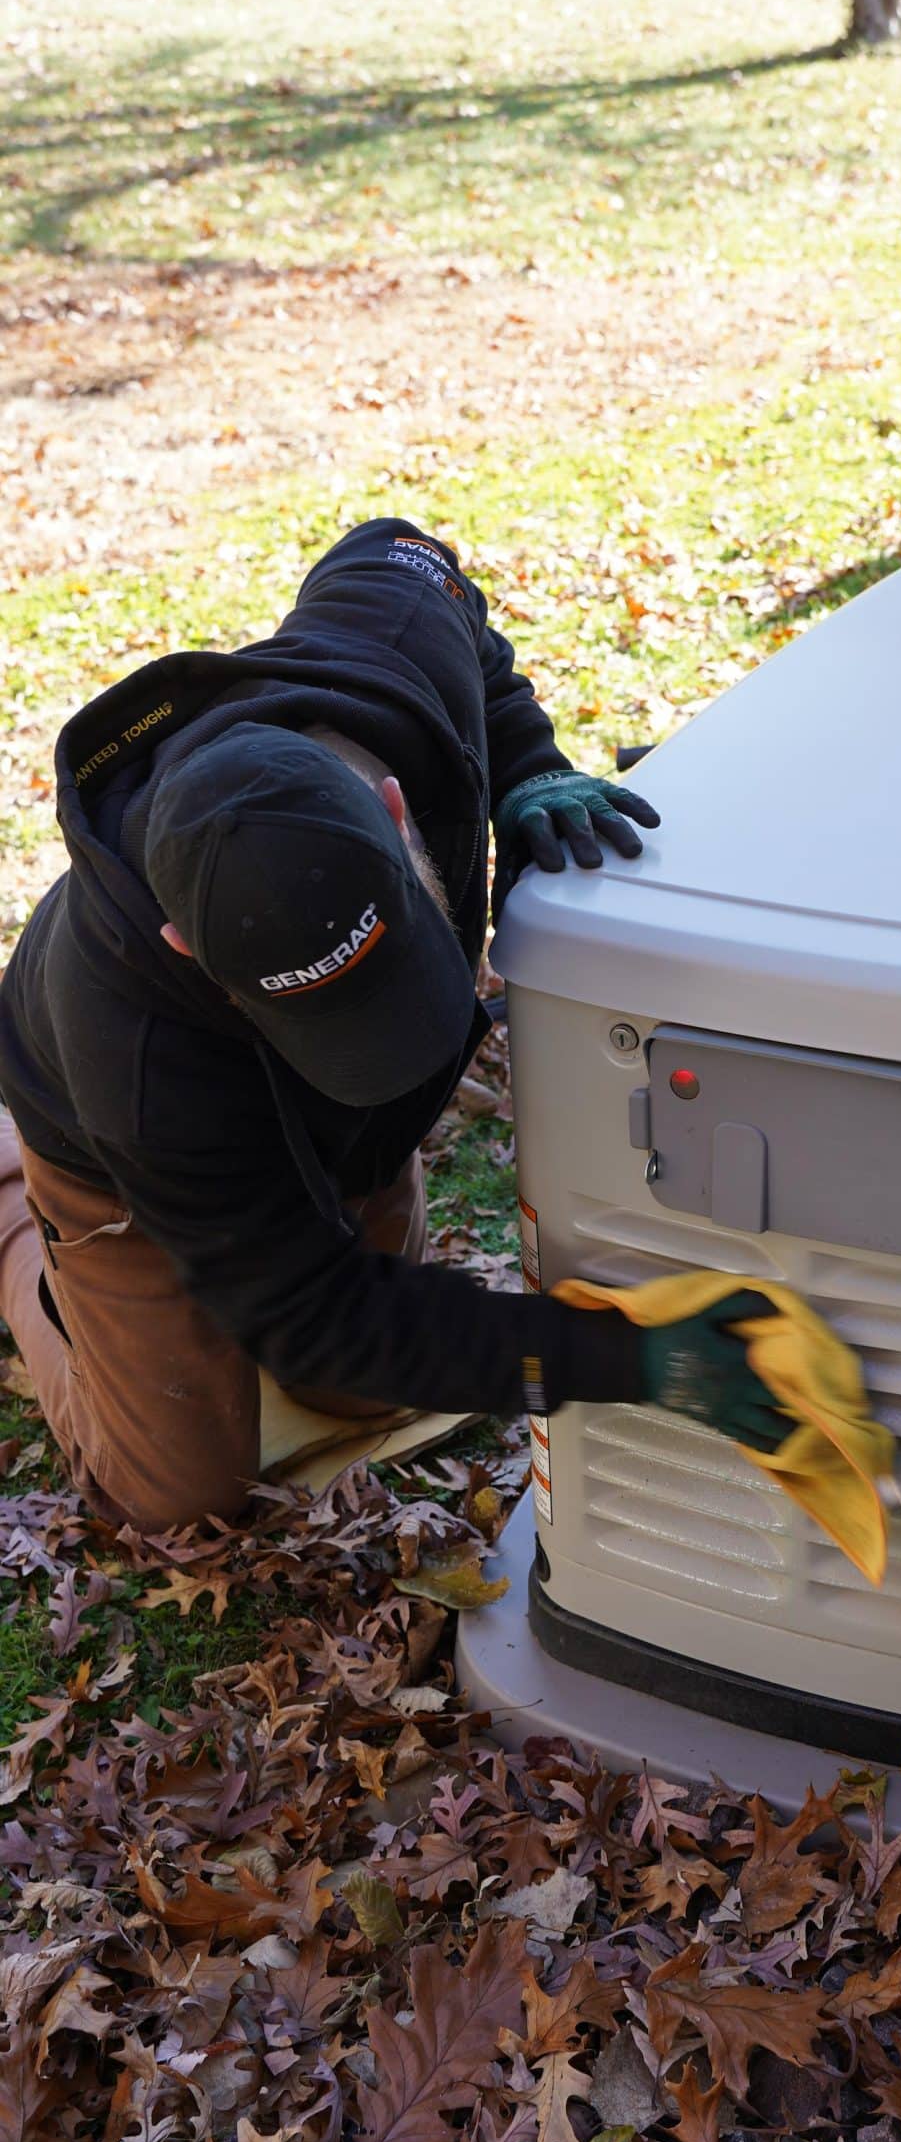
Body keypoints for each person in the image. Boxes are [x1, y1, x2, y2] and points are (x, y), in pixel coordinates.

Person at [0, 518, 786, 1533]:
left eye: (388, 982)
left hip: (319, 1125)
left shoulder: (393, 637)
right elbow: (316, 1320)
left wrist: (528, 764)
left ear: (394, 805)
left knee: (376, 1395)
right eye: (329, 1015)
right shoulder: (138, 1053)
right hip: (107, 1144)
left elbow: (426, 580)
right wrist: (634, 1360)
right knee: (176, 1497)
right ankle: (19, 1207)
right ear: (187, 948)